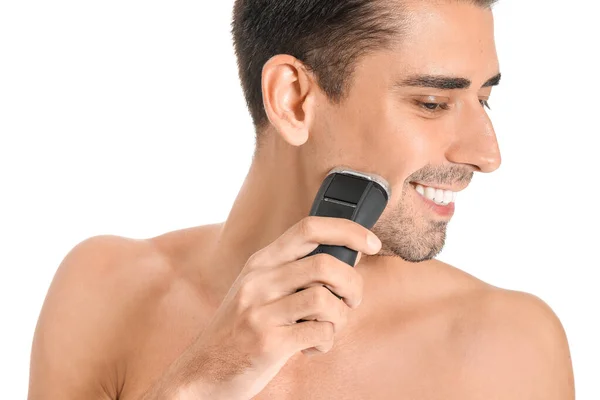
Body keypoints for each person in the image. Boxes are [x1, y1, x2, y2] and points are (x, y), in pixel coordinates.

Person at [28, 0, 575, 399]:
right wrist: (201, 382)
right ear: (292, 100)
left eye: (484, 99)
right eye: (433, 102)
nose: (487, 154)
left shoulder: (513, 346)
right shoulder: (104, 291)